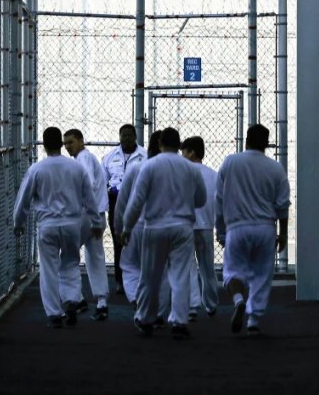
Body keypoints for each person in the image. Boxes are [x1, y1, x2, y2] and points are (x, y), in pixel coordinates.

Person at [13, 127, 104, 328]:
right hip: (72, 223)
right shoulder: (76, 168)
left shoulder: (37, 169)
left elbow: (24, 200)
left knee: (49, 269)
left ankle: (54, 313)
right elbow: (89, 199)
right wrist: (96, 223)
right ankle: (71, 299)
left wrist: (18, 223)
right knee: (71, 263)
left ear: (44, 145)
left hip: (48, 224)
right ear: (61, 144)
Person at [123, 127, 206, 339]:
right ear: (179, 145)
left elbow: (137, 201)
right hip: (183, 226)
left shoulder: (149, 166)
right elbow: (201, 199)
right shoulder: (191, 168)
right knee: (179, 274)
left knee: (150, 275)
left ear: (160, 144)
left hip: (155, 226)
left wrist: (127, 227)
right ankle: (179, 320)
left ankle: (145, 318)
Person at [216, 124, 290, 335]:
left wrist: (220, 228)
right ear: (266, 143)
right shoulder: (275, 168)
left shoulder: (231, 162)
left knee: (232, 272)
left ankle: (238, 299)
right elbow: (282, 204)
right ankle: (254, 320)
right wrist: (283, 232)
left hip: (237, 227)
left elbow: (219, 198)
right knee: (262, 275)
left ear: (245, 139)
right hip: (265, 228)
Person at [114, 130, 172, 323]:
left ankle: (137, 300)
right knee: (162, 272)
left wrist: (120, 228)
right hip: (166, 225)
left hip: (138, 225)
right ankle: (161, 313)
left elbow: (124, 202)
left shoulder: (137, 168)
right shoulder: (177, 168)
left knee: (130, 266)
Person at [63, 129, 110, 321]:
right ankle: (101, 302)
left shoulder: (83, 159)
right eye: (65, 143)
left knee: (68, 257)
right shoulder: (86, 158)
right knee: (95, 257)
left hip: (86, 215)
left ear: (81, 141)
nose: (67, 146)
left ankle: (76, 299)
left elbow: (87, 184)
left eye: (71, 142)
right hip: (95, 214)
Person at [101, 124, 147, 295]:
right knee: (118, 240)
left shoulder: (144, 155)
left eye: (129, 135)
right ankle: (120, 280)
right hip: (116, 202)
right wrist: (109, 192)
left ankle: (141, 279)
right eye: (123, 135)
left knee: (139, 239)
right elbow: (102, 181)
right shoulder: (110, 156)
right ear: (119, 137)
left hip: (138, 202)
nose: (126, 139)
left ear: (135, 137)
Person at [180, 136, 219, 319]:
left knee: (188, 266)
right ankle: (211, 304)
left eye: (184, 151)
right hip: (206, 225)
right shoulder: (213, 174)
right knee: (207, 267)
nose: (182, 155)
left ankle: (192, 305)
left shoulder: (183, 172)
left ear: (191, 152)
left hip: (187, 224)